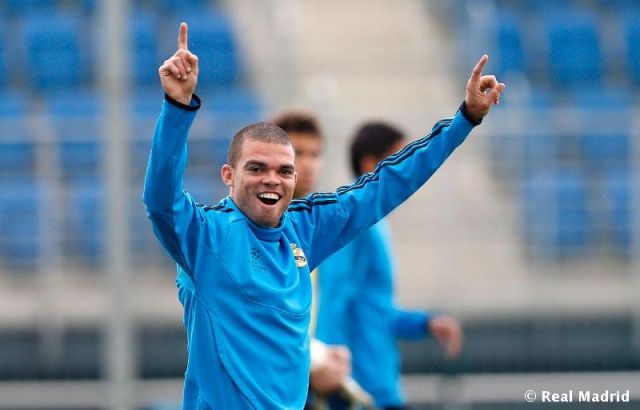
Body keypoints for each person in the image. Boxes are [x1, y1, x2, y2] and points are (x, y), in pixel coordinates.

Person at [143, 22, 504, 410]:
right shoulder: (206, 237)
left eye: (285, 170)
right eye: (257, 168)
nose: (272, 179)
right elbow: (161, 201)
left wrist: (465, 118)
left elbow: (386, 184)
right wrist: (177, 108)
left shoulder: (306, 228)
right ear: (228, 175)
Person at [315, 121, 463, 410]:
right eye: (401, 157)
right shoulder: (354, 226)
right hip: (361, 390)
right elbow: (334, 301)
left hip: (380, 385)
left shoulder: (375, 226)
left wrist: (425, 323)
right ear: (371, 164)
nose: (410, 166)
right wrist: (335, 385)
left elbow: (375, 311)